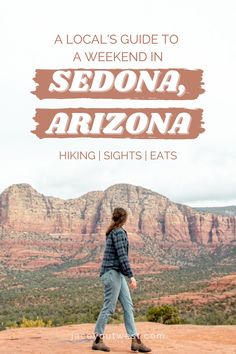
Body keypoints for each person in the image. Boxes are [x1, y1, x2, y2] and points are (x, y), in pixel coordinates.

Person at [92, 207, 151, 352]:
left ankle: (135, 341)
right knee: (109, 308)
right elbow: (122, 256)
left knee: (128, 306)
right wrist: (131, 276)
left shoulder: (115, 231)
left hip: (116, 273)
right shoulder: (118, 232)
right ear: (124, 218)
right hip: (112, 273)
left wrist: (125, 274)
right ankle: (97, 340)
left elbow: (121, 257)